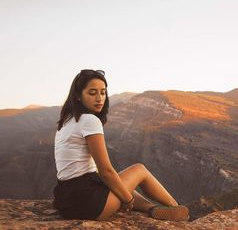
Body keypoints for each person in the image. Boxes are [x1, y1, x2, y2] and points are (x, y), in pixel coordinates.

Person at [52, 69, 189, 221]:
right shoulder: (89, 120)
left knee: (119, 183)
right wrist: (127, 200)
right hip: (89, 204)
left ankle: (153, 209)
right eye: (92, 93)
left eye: (103, 92)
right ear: (78, 95)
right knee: (139, 170)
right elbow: (105, 171)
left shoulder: (66, 121)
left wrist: (123, 192)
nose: (99, 98)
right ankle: (177, 210)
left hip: (67, 201)